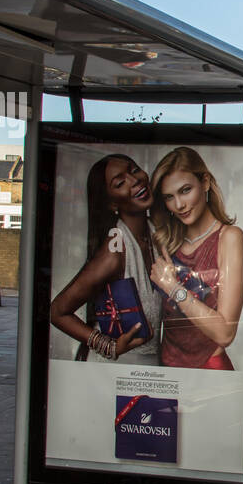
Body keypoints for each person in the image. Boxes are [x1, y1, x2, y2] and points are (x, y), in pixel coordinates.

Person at [50, 153, 162, 363]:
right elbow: (57, 312)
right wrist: (108, 346)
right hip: (112, 374)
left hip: (147, 371)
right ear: (111, 204)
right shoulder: (116, 249)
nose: (135, 180)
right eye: (120, 183)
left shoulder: (154, 234)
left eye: (134, 170)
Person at [147, 147, 243, 370]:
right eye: (169, 197)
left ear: (205, 182)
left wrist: (173, 288)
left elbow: (225, 333)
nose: (179, 205)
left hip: (209, 370)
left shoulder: (229, 238)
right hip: (166, 371)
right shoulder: (165, 242)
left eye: (185, 190)